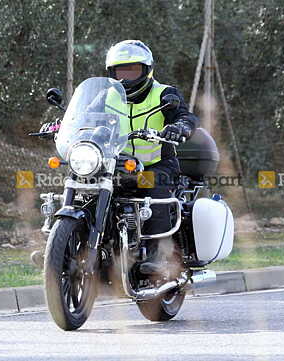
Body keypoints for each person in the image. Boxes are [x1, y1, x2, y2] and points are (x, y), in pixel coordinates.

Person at [38, 40, 200, 273]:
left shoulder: (164, 94)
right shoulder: (107, 95)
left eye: (132, 70)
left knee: (154, 189)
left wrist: (181, 127)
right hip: (112, 164)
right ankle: (59, 251)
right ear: (111, 72)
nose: (126, 77)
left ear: (146, 70)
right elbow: (84, 116)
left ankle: (157, 254)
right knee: (85, 189)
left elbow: (185, 117)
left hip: (154, 165)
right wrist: (61, 126)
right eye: (120, 71)